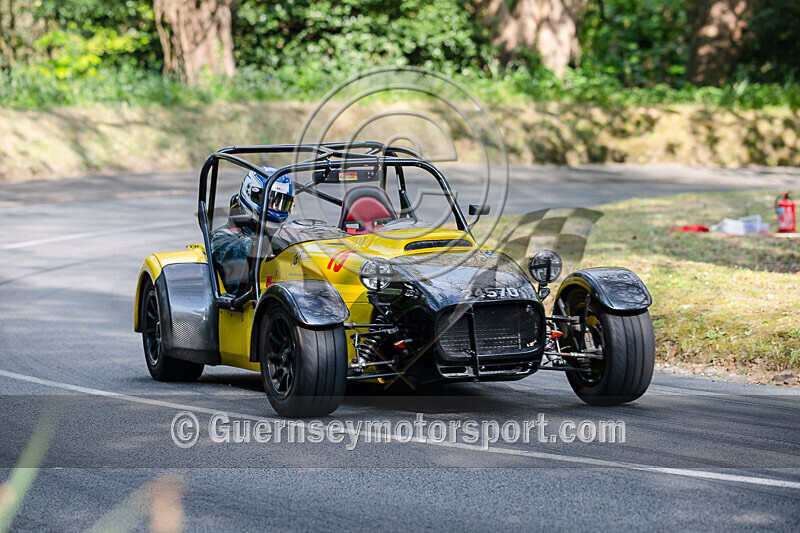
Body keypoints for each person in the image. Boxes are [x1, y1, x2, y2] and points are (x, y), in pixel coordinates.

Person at [211, 166, 294, 295]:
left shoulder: (282, 235)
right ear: (251, 194)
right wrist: (276, 244)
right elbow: (245, 250)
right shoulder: (222, 238)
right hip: (246, 308)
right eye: (271, 201)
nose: (276, 209)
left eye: (282, 203)